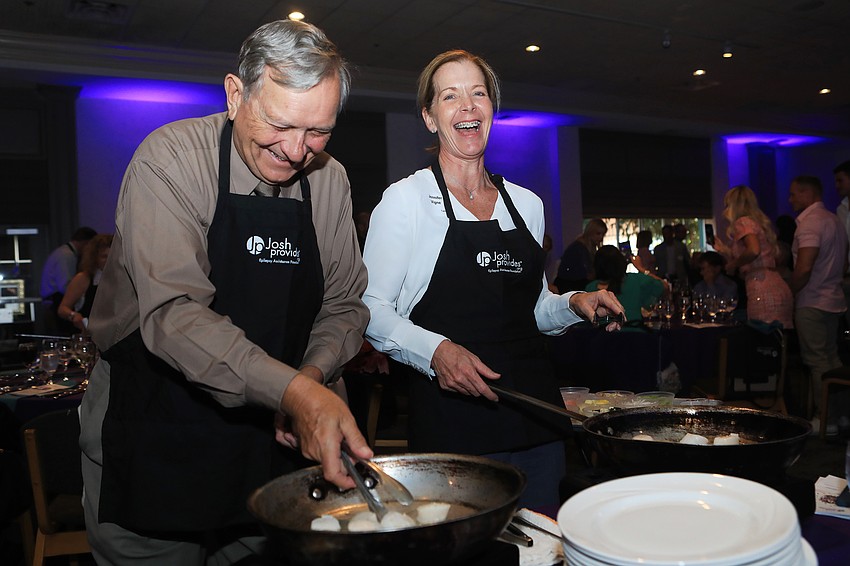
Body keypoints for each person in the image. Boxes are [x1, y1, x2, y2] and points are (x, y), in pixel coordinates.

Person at [78, 20, 372, 564]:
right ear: (236, 95)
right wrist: (295, 394)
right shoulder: (170, 160)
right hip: (156, 428)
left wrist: (308, 378)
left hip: (271, 440)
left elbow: (345, 304)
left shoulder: (330, 180)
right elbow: (176, 315)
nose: (295, 151)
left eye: (318, 132)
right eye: (280, 124)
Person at [362, 50, 624, 509]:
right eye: (450, 96)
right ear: (429, 117)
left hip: (536, 418)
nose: (467, 105)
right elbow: (371, 310)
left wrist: (576, 302)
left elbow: (533, 309)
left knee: (541, 546)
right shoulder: (404, 201)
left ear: (491, 110)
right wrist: (437, 352)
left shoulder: (527, 203)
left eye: (478, 93)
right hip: (453, 422)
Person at [788, 175, 848, 434]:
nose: (790, 200)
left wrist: (790, 290)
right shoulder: (834, 219)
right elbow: (844, 264)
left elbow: (804, 267)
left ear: (806, 193)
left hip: (812, 300)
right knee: (833, 361)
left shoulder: (810, 222)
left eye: (793, 194)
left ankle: (824, 419)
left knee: (817, 362)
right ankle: (841, 417)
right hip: (834, 299)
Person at [713, 186, 793, 328]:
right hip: (775, 283)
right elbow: (756, 252)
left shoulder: (742, 222)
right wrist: (725, 250)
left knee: (763, 339)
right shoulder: (755, 223)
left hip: (761, 287)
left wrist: (733, 264)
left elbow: (754, 251)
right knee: (778, 341)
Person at [39, 226, 96, 334]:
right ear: (86, 242)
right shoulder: (67, 255)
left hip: (52, 301)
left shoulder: (62, 252)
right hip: (55, 302)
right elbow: (64, 285)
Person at [586, 245, 665, 323]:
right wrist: (641, 269)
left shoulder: (590, 289)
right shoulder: (636, 280)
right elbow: (664, 285)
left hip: (601, 335)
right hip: (634, 333)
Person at [57, 233, 112, 332]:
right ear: (95, 257)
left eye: (112, 257)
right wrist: (73, 315)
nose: (109, 261)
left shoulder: (122, 279)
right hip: (86, 335)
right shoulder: (83, 278)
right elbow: (62, 309)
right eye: (104, 257)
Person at [553, 218, 607, 293]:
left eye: (603, 234)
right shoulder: (578, 248)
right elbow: (584, 275)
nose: (601, 237)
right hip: (569, 288)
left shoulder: (584, 247)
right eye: (598, 233)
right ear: (590, 232)